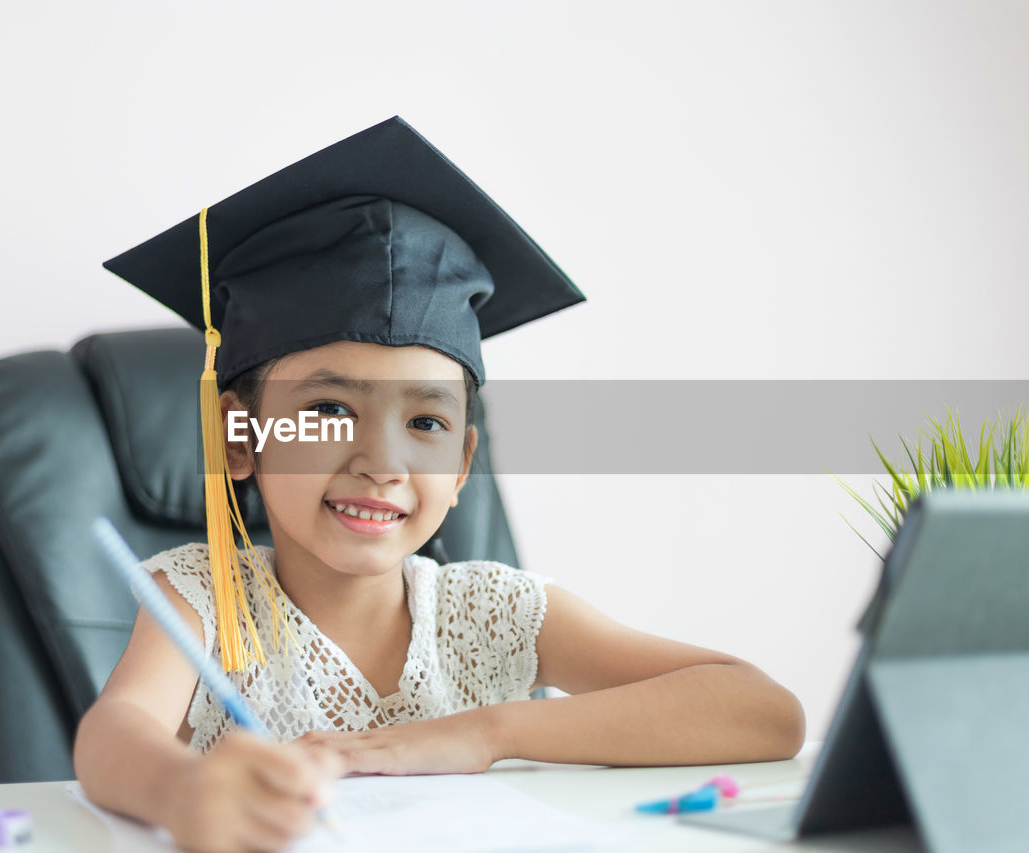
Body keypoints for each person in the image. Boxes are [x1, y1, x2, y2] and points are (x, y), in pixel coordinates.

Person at [73, 117, 805, 853]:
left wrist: (486, 732)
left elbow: (765, 711)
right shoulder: (205, 600)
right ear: (241, 437)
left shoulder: (493, 612)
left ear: (461, 467)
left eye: (425, 422)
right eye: (330, 410)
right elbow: (112, 735)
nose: (382, 461)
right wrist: (184, 789)